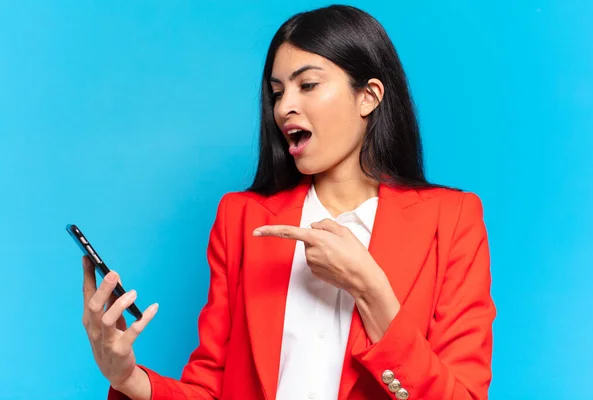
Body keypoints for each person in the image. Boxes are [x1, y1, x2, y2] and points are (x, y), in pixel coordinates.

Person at [81, 5, 496, 400]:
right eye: (277, 92)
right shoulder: (241, 219)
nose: (285, 107)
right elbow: (211, 388)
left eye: (308, 85)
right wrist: (128, 378)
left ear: (368, 96)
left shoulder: (451, 220)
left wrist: (372, 292)